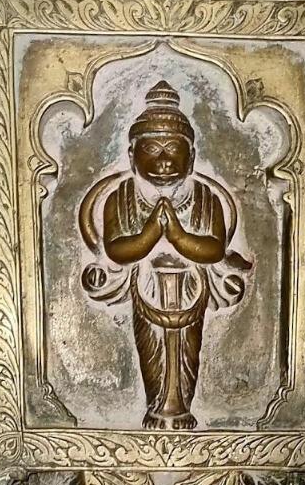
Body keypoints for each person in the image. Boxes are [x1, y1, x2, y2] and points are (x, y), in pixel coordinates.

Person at [80, 80, 250, 430]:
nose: (163, 161)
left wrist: (178, 236)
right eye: (152, 149)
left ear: (192, 157)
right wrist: (149, 235)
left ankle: (181, 404)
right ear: (132, 156)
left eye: (173, 149)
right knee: (152, 350)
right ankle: (157, 405)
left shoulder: (205, 198)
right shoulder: (121, 197)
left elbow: (214, 249)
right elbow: (116, 250)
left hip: (192, 293)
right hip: (145, 292)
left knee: (188, 351)